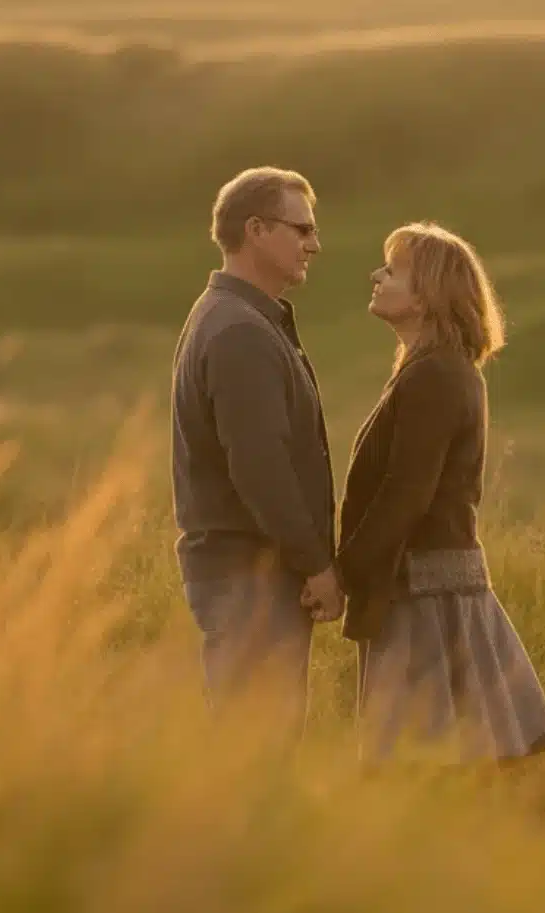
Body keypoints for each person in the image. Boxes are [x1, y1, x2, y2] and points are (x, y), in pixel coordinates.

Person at [333, 222, 545, 767]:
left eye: (392, 271)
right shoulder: (432, 369)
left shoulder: (435, 375)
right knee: (448, 760)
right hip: (429, 586)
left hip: (427, 595)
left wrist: (344, 572)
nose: (377, 276)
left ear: (425, 295)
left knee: (422, 762)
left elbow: (406, 494)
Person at [169, 166, 344, 723]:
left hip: (251, 577)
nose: (314, 245)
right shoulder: (239, 330)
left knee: (257, 742)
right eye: (302, 229)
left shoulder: (238, 318)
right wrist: (316, 565)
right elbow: (260, 467)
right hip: (250, 580)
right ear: (256, 230)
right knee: (256, 745)